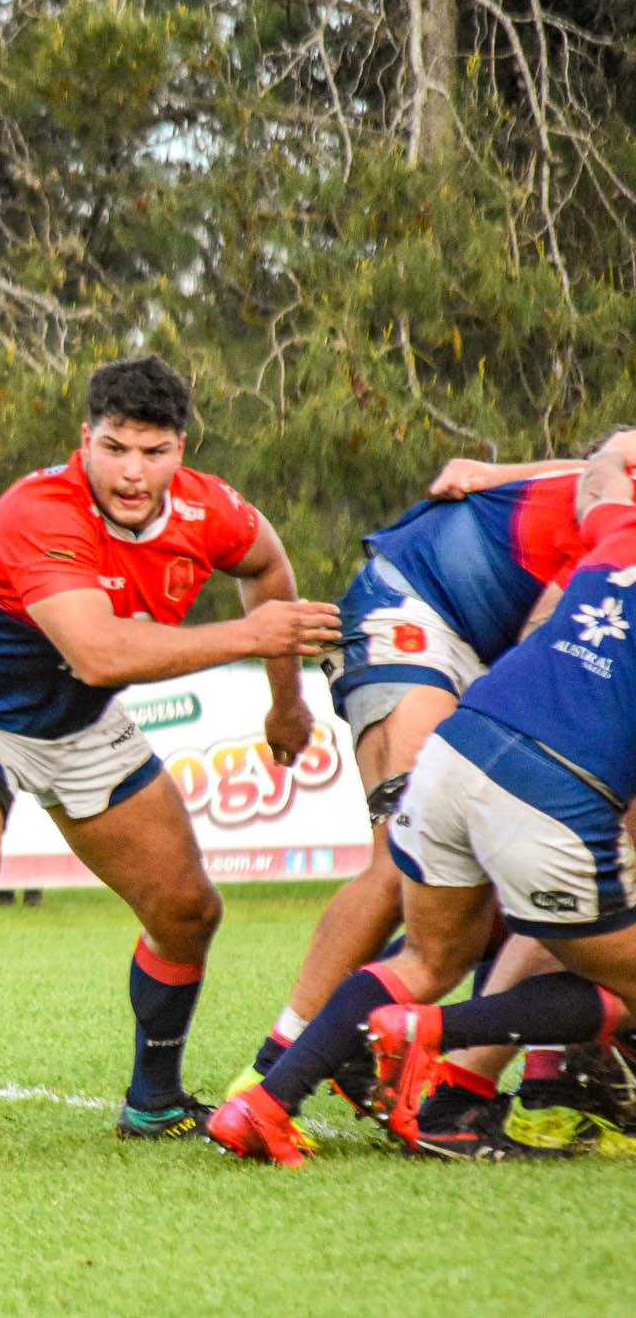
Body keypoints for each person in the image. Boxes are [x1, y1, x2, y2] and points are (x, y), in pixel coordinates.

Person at [0, 353, 341, 1150]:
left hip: (80, 723)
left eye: (153, 451)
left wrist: (285, 701)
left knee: (188, 910)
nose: (133, 472)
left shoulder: (211, 509)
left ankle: (152, 1100)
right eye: (114, 447)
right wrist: (249, 639)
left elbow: (268, 567)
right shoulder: (37, 512)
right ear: (85, 440)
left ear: (183, 448)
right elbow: (100, 653)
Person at [210, 430, 636, 1165]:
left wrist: (500, 468)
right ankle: (397, 1052)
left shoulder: (615, 518)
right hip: (418, 615)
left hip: (470, 733)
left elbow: (607, 463)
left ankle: (275, 1097)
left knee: (445, 946)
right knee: (421, 880)